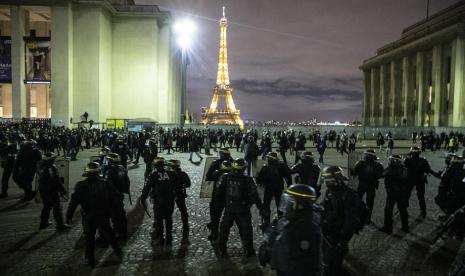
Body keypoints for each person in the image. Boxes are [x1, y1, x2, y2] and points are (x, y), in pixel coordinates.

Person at [65, 162, 123, 267]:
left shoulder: (81, 185)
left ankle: (90, 258)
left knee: (89, 237)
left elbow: (74, 202)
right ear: (98, 172)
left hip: (89, 215)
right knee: (109, 232)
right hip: (103, 214)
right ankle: (117, 250)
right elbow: (116, 198)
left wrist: (69, 215)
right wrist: (116, 212)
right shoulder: (105, 183)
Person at [258, 184, 321, 276]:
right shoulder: (294, 217)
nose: (287, 205)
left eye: (290, 202)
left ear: (300, 204)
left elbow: (292, 254)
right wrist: (269, 231)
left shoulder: (306, 226)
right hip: (286, 269)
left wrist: (270, 252)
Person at [320, 166, 367, 276]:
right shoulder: (330, 191)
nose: (326, 183)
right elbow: (324, 207)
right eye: (325, 180)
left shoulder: (348, 195)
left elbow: (351, 220)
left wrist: (342, 241)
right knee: (326, 256)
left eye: (329, 180)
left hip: (338, 233)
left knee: (332, 264)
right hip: (330, 230)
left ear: (336, 180)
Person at [214, 158, 264, 259]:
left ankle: (221, 249)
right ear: (244, 168)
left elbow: (218, 192)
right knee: (246, 229)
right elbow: (255, 195)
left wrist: (220, 205)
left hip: (229, 208)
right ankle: (249, 250)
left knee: (224, 228)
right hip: (243, 208)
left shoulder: (225, 177)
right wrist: (261, 208)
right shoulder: (248, 179)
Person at [141, 157, 178, 245]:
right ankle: (169, 236)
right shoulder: (172, 173)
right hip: (170, 200)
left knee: (159, 219)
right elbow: (177, 185)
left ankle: (161, 238)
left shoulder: (152, 175)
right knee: (169, 218)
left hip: (158, 201)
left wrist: (143, 198)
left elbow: (146, 188)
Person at [256, 152, 292, 227]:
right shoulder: (281, 166)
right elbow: (288, 175)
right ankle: (280, 220)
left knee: (266, 205)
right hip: (279, 188)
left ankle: (266, 222)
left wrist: (258, 179)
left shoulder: (265, 167)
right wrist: (289, 185)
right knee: (279, 204)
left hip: (268, 189)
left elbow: (259, 180)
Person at [404, 146, 441, 218]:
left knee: (406, 195)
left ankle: (403, 209)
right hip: (420, 180)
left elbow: (402, 169)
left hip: (409, 180)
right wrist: (437, 175)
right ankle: (423, 211)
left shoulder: (407, 160)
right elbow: (429, 170)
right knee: (421, 197)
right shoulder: (423, 160)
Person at [37, 152, 70, 231]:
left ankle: (43, 223)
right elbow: (55, 180)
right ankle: (60, 225)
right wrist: (62, 190)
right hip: (51, 190)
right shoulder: (51, 168)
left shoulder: (40, 166)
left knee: (47, 206)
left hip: (43, 189)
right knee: (57, 207)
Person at [103, 153, 129, 241]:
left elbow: (108, 185)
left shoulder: (110, 171)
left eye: (109, 160)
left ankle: (120, 233)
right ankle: (122, 232)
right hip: (120, 193)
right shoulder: (122, 168)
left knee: (116, 215)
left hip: (113, 196)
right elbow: (127, 181)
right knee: (120, 214)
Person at [352, 149, 384, 222]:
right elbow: (380, 176)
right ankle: (367, 218)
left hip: (362, 184)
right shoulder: (378, 165)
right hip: (371, 185)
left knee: (358, 200)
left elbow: (354, 172)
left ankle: (357, 215)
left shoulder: (360, 163)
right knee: (370, 202)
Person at [380, 155, 409, 234]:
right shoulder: (404, 169)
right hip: (402, 192)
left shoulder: (390, 168)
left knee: (388, 210)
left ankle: (388, 228)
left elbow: (382, 174)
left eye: (391, 160)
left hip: (392, 192)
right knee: (402, 209)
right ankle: (405, 227)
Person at [207, 160, 232, 241]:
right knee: (227, 217)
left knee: (215, 216)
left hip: (217, 198)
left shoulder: (217, 173)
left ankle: (214, 233)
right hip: (228, 199)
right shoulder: (233, 174)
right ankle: (222, 234)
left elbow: (209, 176)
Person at [168, 159, 191, 238]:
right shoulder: (183, 173)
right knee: (183, 209)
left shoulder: (169, 174)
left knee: (169, 211)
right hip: (180, 193)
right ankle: (185, 224)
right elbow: (188, 184)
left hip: (170, 194)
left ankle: (168, 228)